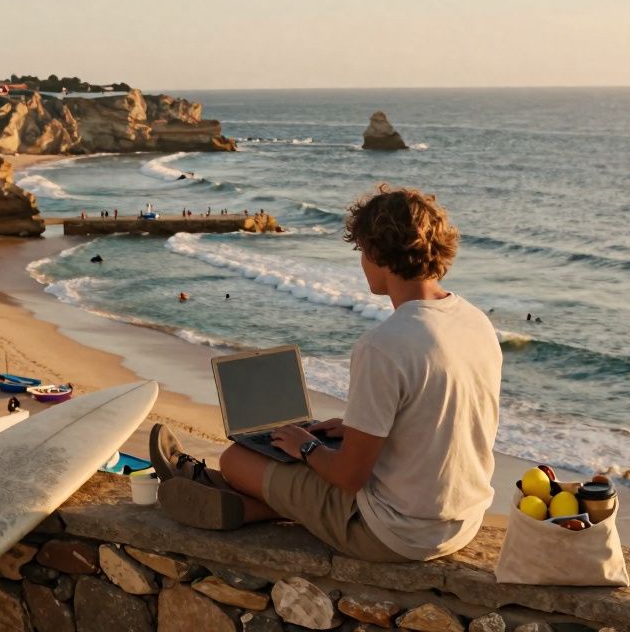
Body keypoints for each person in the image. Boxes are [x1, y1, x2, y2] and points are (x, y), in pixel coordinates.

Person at [150, 184, 501, 564]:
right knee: (306, 454)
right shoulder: (474, 321)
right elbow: (438, 423)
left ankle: (239, 502)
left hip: (396, 534)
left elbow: (350, 477)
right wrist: (354, 431)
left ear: (376, 253)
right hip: (463, 522)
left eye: (362, 251)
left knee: (237, 460)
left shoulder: (384, 345)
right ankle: (242, 504)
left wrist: (307, 446)